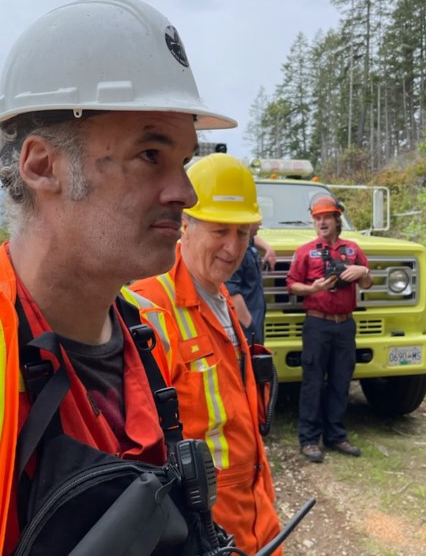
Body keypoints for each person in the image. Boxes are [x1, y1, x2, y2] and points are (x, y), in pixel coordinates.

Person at [0, 0, 237, 556]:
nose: (186, 193)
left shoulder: (153, 336)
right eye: (151, 154)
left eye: (184, 161)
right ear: (41, 165)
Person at [130, 154, 283, 556]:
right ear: (186, 225)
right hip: (202, 520)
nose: (233, 248)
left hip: (254, 499)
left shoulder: (221, 298)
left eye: (243, 232)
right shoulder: (150, 308)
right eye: (220, 231)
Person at [285, 195, 373, 463]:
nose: (322, 222)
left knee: (341, 381)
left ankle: (336, 436)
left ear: (337, 220)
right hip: (317, 324)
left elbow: (367, 283)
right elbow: (292, 284)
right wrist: (312, 289)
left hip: (345, 325)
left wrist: (362, 270)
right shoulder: (305, 251)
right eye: (317, 218)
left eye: (326, 217)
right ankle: (309, 440)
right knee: (312, 382)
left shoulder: (353, 249)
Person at [226, 221, 275, 345]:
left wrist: (267, 248)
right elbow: (231, 292)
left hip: (254, 325)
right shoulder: (235, 250)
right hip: (245, 331)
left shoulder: (247, 242)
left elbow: (252, 238)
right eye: (256, 218)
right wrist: (250, 328)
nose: (261, 222)